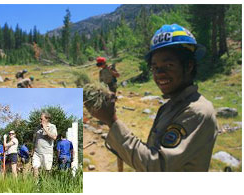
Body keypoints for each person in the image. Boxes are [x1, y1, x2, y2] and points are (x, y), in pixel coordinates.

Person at [86, 24, 218, 172]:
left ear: (189, 66)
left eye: (169, 65)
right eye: (155, 67)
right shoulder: (169, 107)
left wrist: (112, 120)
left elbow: (155, 166)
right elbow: (153, 151)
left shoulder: (196, 112)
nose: (160, 73)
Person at [33, 112, 57, 178]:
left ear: (47, 119)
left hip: (47, 153)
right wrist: (33, 150)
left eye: (41, 119)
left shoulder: (52, 126)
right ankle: (36, 186)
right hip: (37, 153)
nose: (40, 120)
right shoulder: (37, 128)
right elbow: (35, 140)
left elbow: (54, 137)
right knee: (35, 168)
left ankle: (46, 186)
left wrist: (45, 129)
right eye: (40, 119)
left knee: (47, 171)